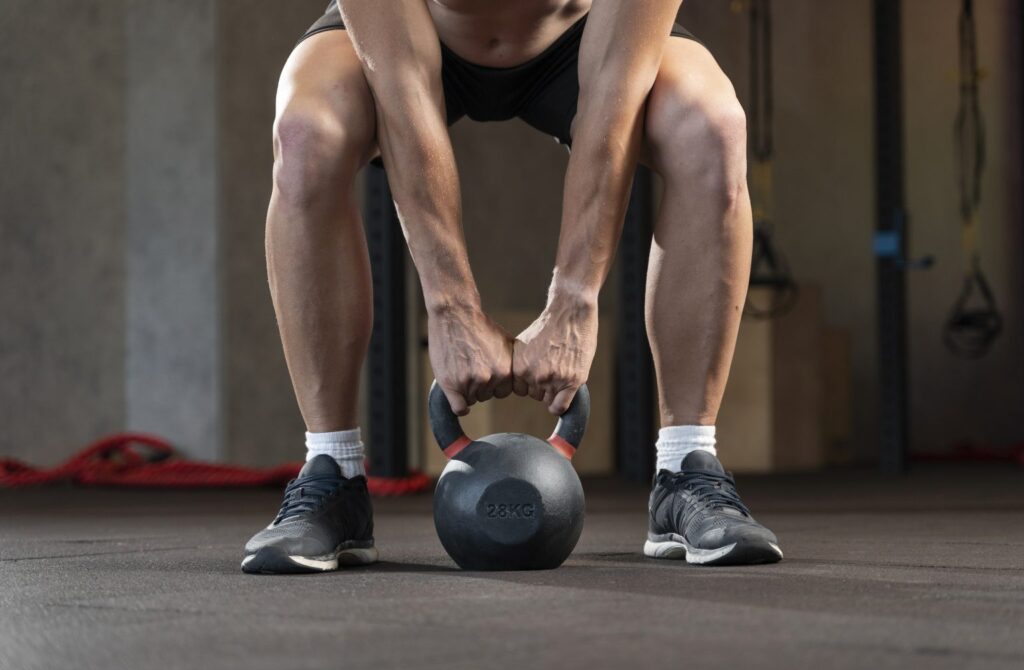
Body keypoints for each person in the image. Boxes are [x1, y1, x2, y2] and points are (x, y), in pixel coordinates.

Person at [241, 0, 783, 574]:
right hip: (412, 39)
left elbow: (612, 93)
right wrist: (451, 309)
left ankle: (686, 468)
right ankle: (334, 474)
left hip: (581, 40)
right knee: (305, 135)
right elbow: (403, 89)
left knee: (713, 129)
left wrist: (574, 300)